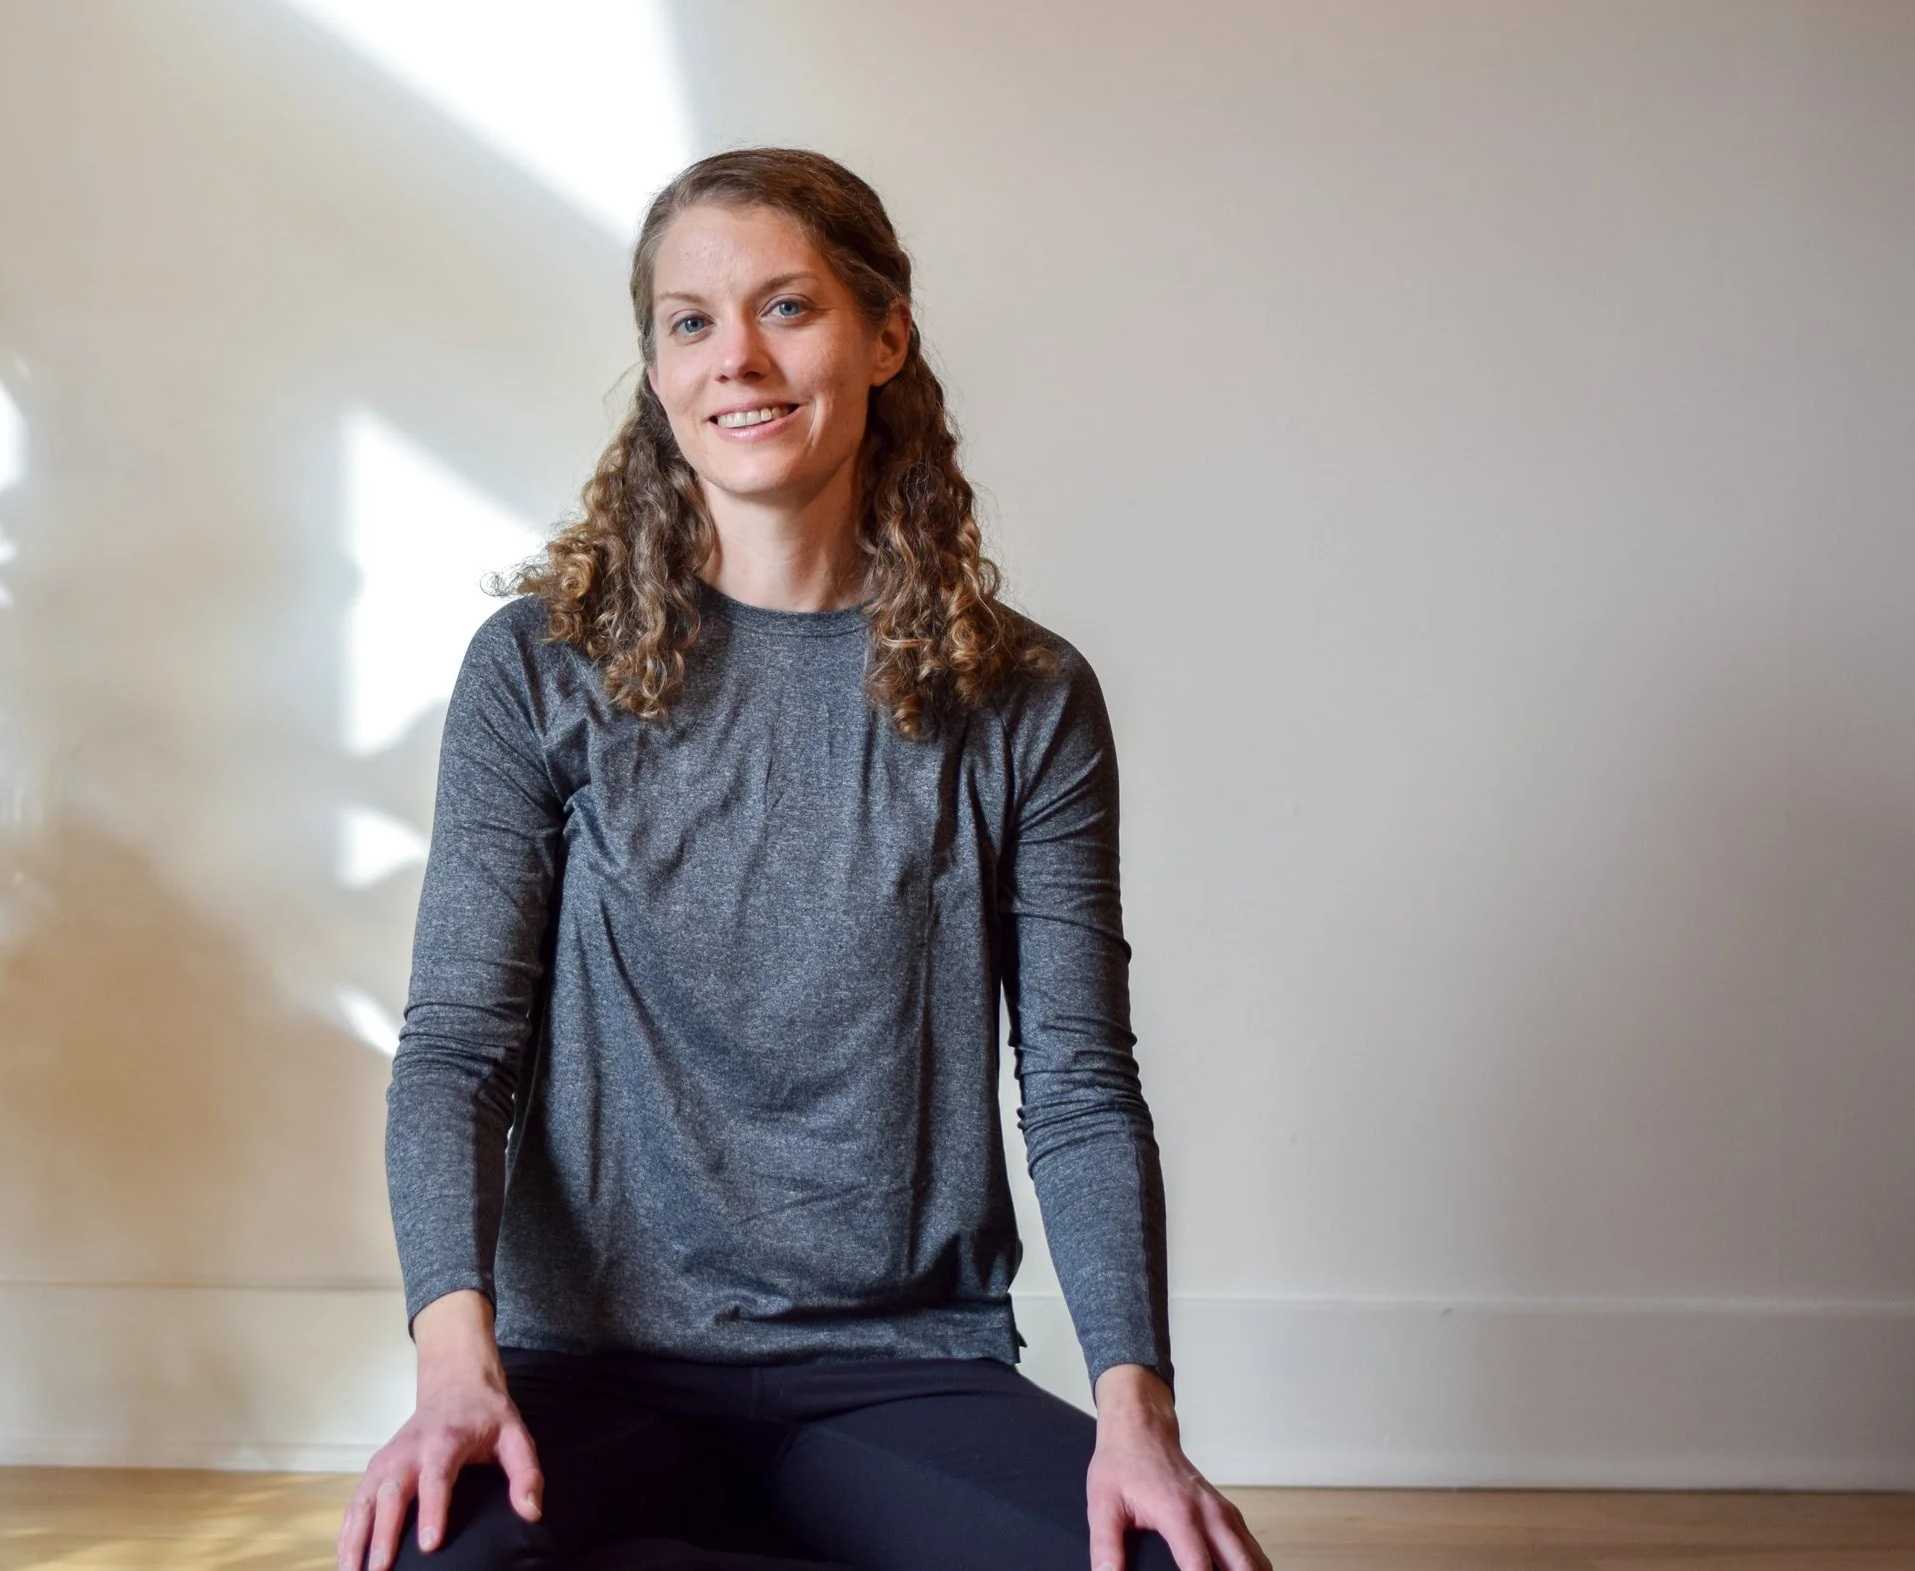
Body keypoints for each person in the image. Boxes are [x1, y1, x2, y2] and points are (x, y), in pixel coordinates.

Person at [339, 149, 1270, 1571]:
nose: (740, 360)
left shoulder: (1028, 700)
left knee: (1166, 1563)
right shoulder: (538, 670)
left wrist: (1136, 1410)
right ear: (654, 367)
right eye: (691, 320)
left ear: (886, 334)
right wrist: (453, 1361)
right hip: (591, 1369)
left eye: (790, 306)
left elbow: (1079, 1085)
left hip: (900, 1370)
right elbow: (459, 1044)